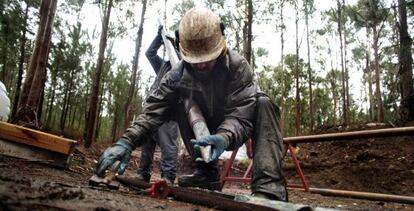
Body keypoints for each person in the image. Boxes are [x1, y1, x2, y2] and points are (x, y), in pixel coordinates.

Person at [96, 7, 287, 201]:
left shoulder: (238, 67)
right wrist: (126, 141)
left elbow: (241, 114)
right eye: (196, 60)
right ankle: (206, 172)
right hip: (200, 132)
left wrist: (223, 136)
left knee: (263, 102)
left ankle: (269, 187)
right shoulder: (176, 75)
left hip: (234, 127)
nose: (201, 65)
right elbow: (153, 110)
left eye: (207, 59)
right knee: (180, 101)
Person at [135, 26, 179, 184]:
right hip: (152, 109)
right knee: (147, 141)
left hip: (169, 112)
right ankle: (143, 173)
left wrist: (174, 45)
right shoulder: (163, 66)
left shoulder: (184, 66)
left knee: (168, 145)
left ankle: (168, 177)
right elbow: (150, 53)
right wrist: (159, 37)